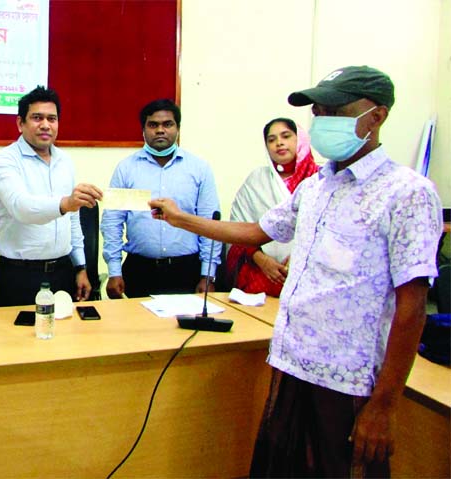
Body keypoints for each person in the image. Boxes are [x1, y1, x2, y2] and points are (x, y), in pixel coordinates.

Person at [149, 66, 443, 477]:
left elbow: (412, 308)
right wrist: (181, 220)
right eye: (319, 112)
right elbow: (255, 231)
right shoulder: (315, 187)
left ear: (376, 116)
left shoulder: (407, 193)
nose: (322, 122)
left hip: (349, 385)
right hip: (291, 366)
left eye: (336, 110)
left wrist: (384, 405)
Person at [0, 86, 103, 307]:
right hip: (19, 276)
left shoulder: (65, 161)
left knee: (64, 339)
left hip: (63, 272)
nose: (45, 125)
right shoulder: (5, 160)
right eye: (37, 118)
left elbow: (73, 221)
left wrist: (80, 267)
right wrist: (66, 203)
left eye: (52, 118)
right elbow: (21, 207)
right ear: (20, 123)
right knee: (15, 341)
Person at [100, 99, 221, 299]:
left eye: (167, 124)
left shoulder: (199, 169)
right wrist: (114, 271)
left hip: (187, 271)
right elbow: (112, 222)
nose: (160, 130)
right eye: (153, 125)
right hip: (139, 270)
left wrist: (208, 275)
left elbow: (209, 225)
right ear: (143, 130)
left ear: (178, 128)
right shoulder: (127, 169)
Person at [226, 118, 319, 296]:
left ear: (300, 140)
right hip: (260, 275)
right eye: (271, 139)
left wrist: (299, 258)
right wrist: (263, 261)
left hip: (308, 275)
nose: (279, 143)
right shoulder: (257, 180)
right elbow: (239, 228)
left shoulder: (320, 180)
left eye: (286, 136)